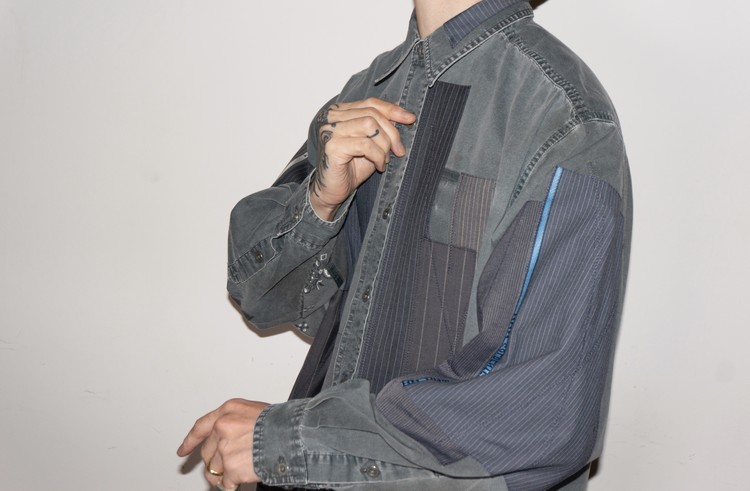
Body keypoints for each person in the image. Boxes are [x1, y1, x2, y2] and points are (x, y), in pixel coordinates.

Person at [177, 1, 632, 490]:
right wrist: (321, 204)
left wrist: (292, 441)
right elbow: (259, 296)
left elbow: (542, 410)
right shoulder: (367, 91)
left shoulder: (563, 117)